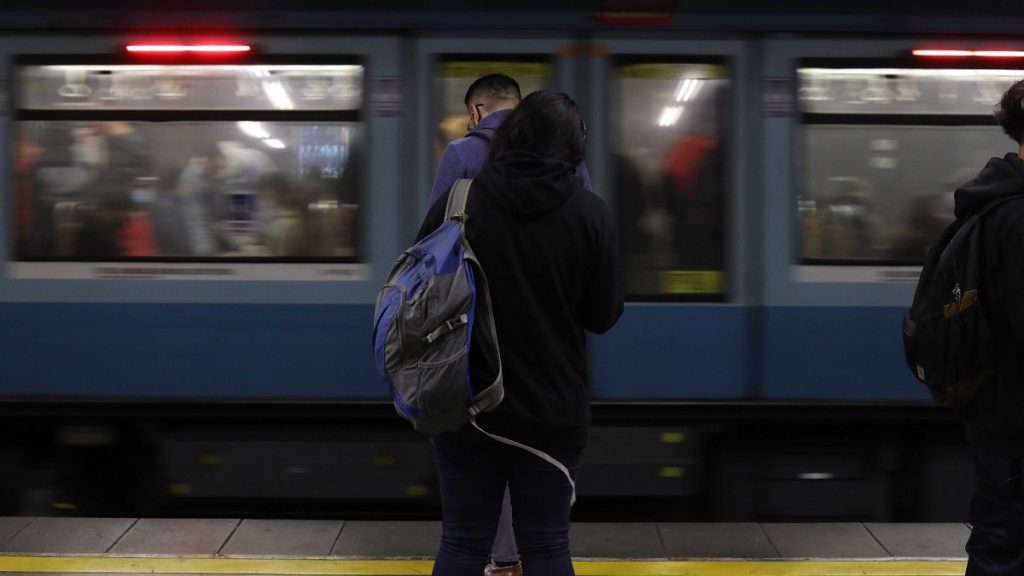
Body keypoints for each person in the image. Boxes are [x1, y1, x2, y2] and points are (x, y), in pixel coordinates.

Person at [417, 90, 623, 576]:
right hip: (552, 407)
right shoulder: (591, 213)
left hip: (466, 401)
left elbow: (420, 285)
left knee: (463, 543)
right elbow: (603, 315)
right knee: (547, 546)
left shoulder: (460, 200)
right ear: (574, 145)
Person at [953, 78, 1024, 576]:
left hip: (1002, 413)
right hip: (1018, 421)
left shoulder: (996, 202)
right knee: (1003, 551)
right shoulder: (1018, 216)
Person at [429, 74, 592, 209]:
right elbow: (587, 208)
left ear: (475, 111)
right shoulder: (561, 147)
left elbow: (436, 222)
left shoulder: (460, 152)